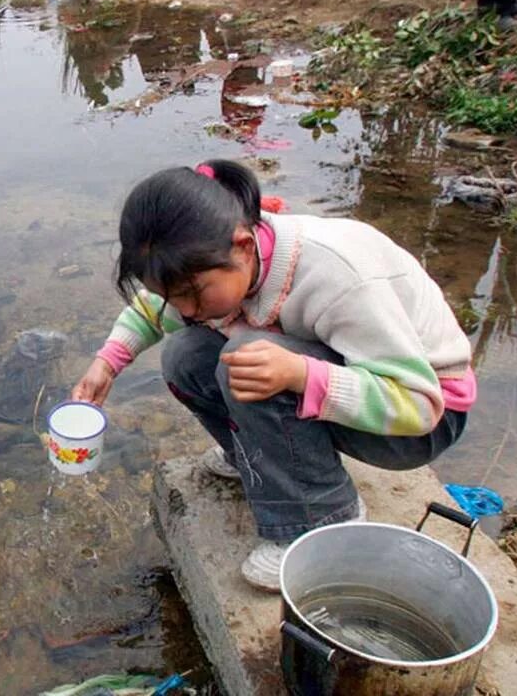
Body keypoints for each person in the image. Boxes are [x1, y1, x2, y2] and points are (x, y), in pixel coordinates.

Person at [71, 160, 476, 592]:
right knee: (185, 356)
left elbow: (420, 408)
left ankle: (321, 518)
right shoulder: (221, 261)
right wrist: (106, 364)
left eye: (192, 293)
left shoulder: (335, 277)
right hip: (361, 384)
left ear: (243, 246)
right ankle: (255, 458)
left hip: (418, 418)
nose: (185, 310)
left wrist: (302, 375)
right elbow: (156, 312)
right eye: (172, 295)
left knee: (248, 359)